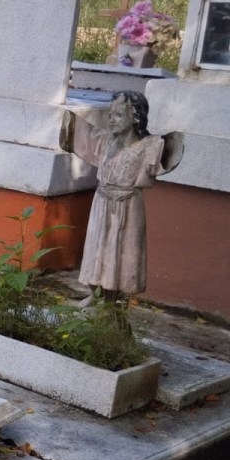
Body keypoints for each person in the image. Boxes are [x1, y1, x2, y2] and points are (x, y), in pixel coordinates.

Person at [61, 91, 182, 303]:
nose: (111, 119)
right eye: (110, 113)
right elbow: (80, 134)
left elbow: (173, 149)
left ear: (135, 116)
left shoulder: (150, 147)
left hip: (128, 205)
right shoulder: (105, 141)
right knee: (96, 251)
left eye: (118, 114)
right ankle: (95, 294)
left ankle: (110, 301)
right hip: (102, 203)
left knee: (121, 255)